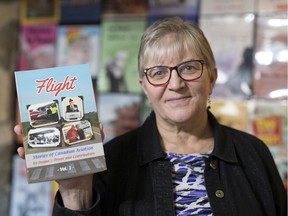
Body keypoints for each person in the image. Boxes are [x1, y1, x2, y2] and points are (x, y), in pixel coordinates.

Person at [15, 17, 286, 216]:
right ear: (144, 87)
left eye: (189, 68)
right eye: (158, 73)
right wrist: (75, 192)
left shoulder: (253, 155)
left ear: (212, 78)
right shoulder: (110, 162)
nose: (176, 83)